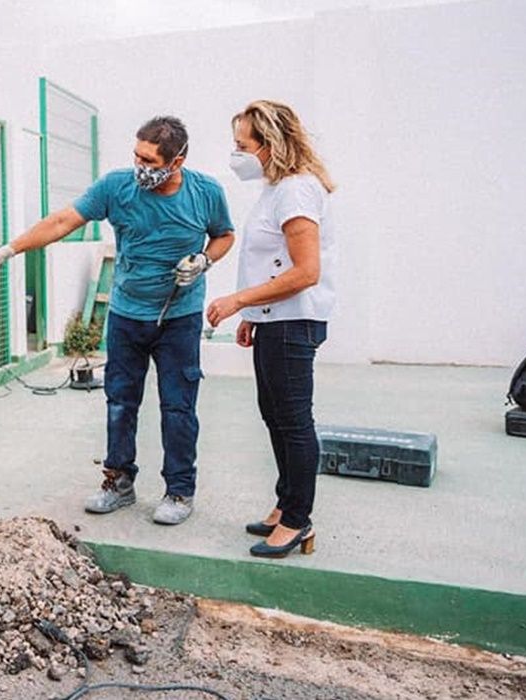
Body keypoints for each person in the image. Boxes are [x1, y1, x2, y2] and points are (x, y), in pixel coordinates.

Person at [0, 116, 235, 526]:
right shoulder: (116, 186)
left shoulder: (205, 192)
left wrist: (204, 260)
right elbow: (61, 222)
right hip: (126, 315)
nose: (140, 166)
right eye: (136, 155)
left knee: (178, 406)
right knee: (120, 402)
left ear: (178, 161)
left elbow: (224, 235)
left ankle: (179, 490)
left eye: (150, 160)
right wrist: (10, 249)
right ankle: (118, 482)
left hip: (179, 317)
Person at [205, 100, 337, 558]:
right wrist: (252, 316)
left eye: (243, 145)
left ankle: (298, 520)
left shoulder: (297, 192)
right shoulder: (277, 188)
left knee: (295, 422)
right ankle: (285, 505)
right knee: (274, 414)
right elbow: (269, 260)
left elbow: (305, 272)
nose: (236, 153)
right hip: (275, 320)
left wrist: (237, 300)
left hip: (294, 321)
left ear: (270, 144)